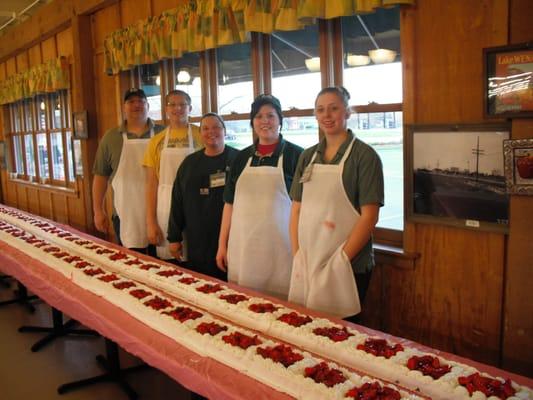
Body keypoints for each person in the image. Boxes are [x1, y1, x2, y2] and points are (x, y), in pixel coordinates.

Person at [288, 86, 384, 321]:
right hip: (309, 260)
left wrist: (340, 261)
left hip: (348, 265)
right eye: (320, 110)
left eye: (334, 109)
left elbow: (369, 216)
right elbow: (297, 208)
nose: (327, 116)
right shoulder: (308, 156)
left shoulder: (365, 156)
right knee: (306, 327)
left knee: (341, 332)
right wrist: (297, 253)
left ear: (347, 112)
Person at [216, 94, 303, 298]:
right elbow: (229, 204)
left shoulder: (297, 156)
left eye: (271, 116)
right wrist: (222, 245)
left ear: (280, 121)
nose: (265, 121)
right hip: (243, 248)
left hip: (282, 250)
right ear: (252, 123)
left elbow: (306, 210)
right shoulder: (240, 158)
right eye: (259, 116)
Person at [167, 113, 238, 280]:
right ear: (200, 134)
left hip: (231, 237)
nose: (211, 132)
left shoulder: (238, 159)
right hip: (197, 239)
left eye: (216, 127)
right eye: (205, 128)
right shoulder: (189, 163)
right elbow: (177, 201)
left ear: (224, 131)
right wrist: (174, 237)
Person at [92, 88, 165, 250]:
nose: (136, 105)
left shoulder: (163, 134)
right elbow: (100, 176)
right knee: (132, 263)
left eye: (141, 101)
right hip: (125, 214)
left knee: (164, 268)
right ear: (124, 107)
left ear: (148, 106)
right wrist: (98, 210)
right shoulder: (111, 137)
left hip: (161, 213)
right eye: (131, 102)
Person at [142, 90, 201, 260]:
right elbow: (151, 183)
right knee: (171, 262)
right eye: (173, 104)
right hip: (165, 204)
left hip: (197, 203)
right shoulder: (157, 141)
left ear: (190, 108)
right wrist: (151, 221)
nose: (178, 108)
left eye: (183, 104)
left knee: (197, 258)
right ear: (166, 109)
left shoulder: (201, 134)